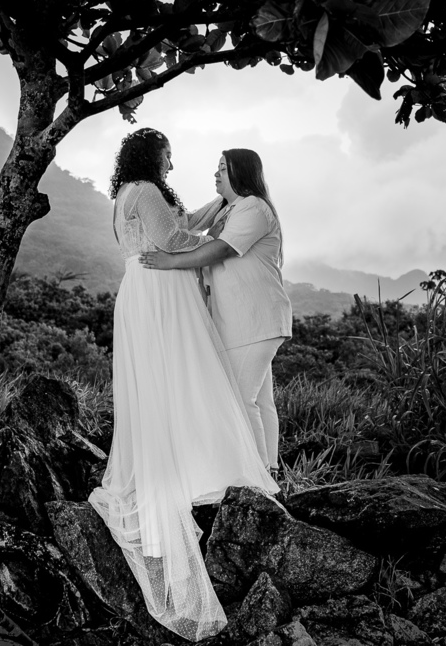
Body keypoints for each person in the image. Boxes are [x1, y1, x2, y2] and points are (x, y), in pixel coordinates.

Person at [89, 129, 278, 641]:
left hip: (142, 290)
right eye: (168, 155)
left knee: (160, 385)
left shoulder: (127, 194)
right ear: (153, 156)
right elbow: (171, 240)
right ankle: (226, 470)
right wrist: (206, 237)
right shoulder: (146, 192)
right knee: (186, 377)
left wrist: (213, 209)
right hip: (160, 290)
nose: (173, 163)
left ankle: (196, 464)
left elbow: (176, 225)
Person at [140, 148, 291, 474]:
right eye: (217, 168)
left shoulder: (253, 207)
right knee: (261, 400)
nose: (216, 173)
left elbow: (221, 249)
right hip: (243, 320)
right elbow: (192, 223)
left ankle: (256, 479)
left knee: (239, 399)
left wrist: (171, 262)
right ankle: (270, 471)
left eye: (223, 168)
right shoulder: (228, 207)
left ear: (240, 172)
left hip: (258, 317)